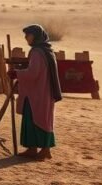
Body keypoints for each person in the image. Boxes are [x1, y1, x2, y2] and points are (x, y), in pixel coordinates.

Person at [9, 24, 62, 161]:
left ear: (36, 36)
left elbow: (33, 73)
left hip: (38, 93)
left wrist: (17, 73)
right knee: (33, 119)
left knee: (40, 120)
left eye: (28, 35)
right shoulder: (46, 50)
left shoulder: (38, 52)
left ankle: (45, 150)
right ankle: (32, 149)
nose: (25, 37)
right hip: (39, 92)